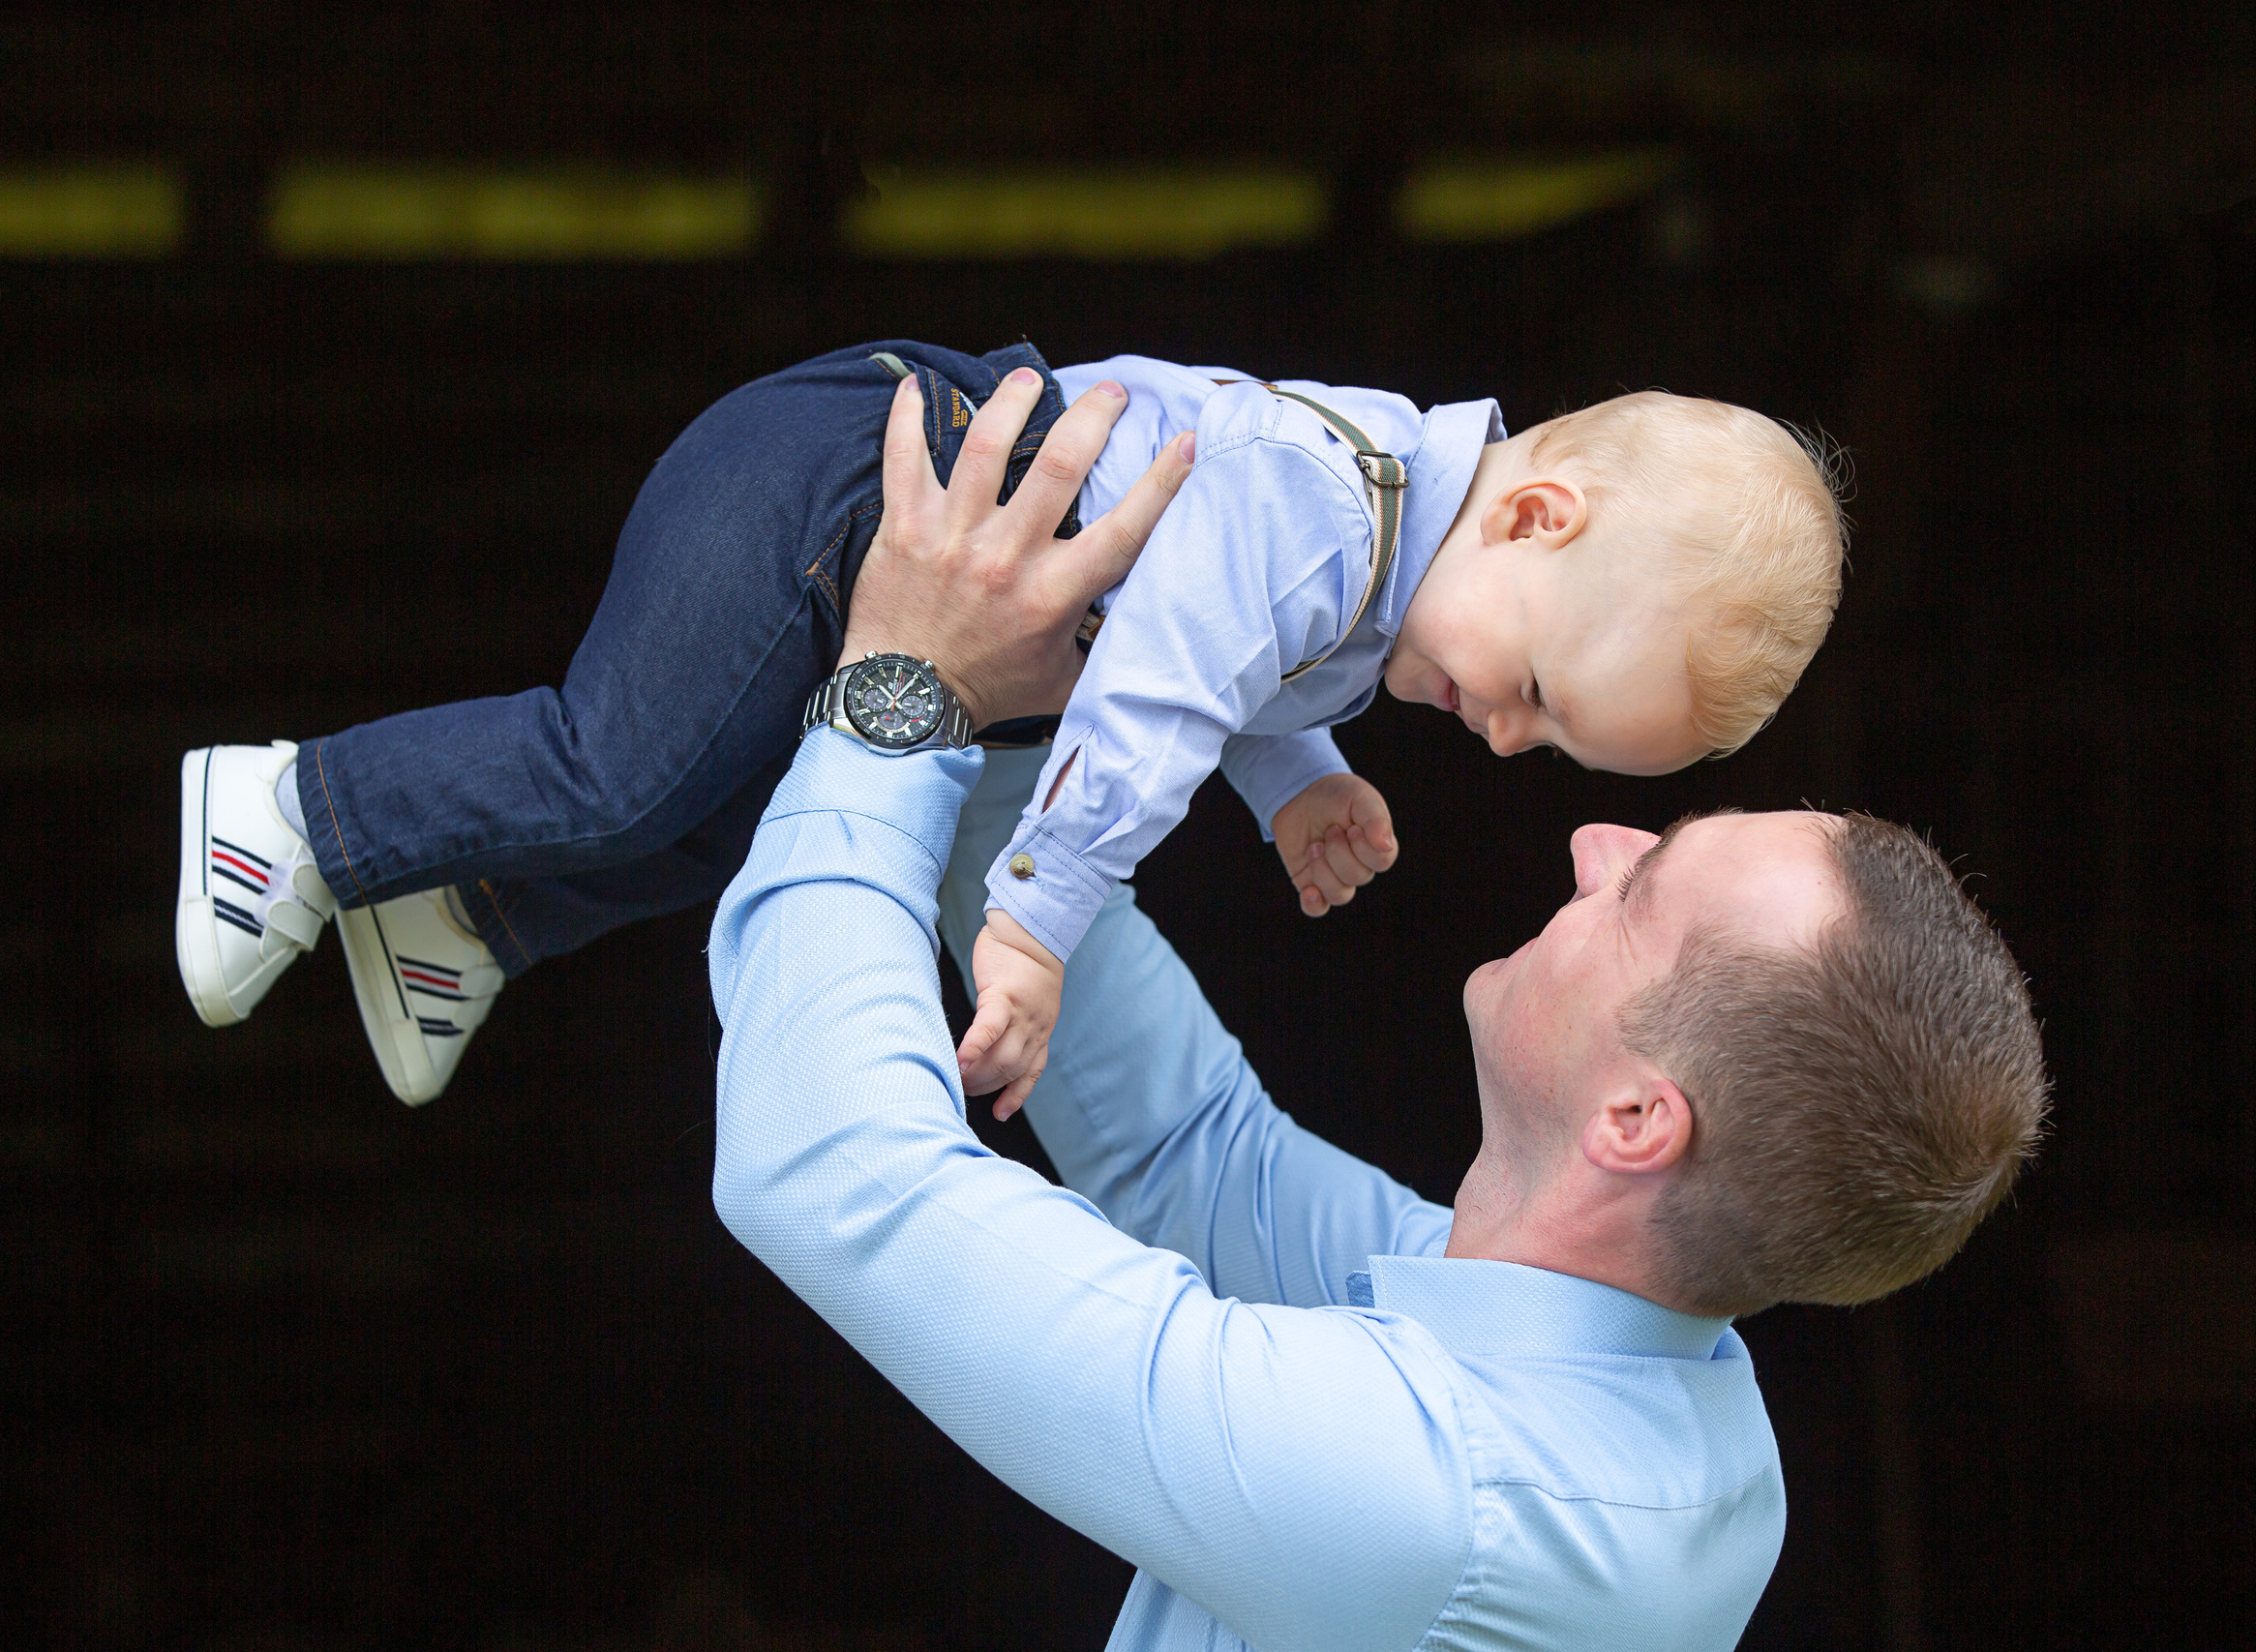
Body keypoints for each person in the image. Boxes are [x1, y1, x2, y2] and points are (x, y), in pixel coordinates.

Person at [707, 385, 2048, 1650]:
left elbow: (832, 1172)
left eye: (1645, 892)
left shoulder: (1443, 1501)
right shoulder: (1653, 1398)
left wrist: (902, 684)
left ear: (1640, 1119)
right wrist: (1013, 704)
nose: (1595, 842)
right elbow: (1186, 1154)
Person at [174, 342, 1843, 1108]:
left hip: (872, 550)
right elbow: (1166, 688)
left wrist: (1300, 779)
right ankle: (299, 811)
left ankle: (468, 917)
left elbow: (1242, 670)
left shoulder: (1376, 578)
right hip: (842, 483)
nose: (1507, 740)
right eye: (1538, 693)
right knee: (620, 762)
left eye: (1548, 743)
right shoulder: (1331, 507)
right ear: (1536, 517)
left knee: (733, 801)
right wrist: (1036, 925)